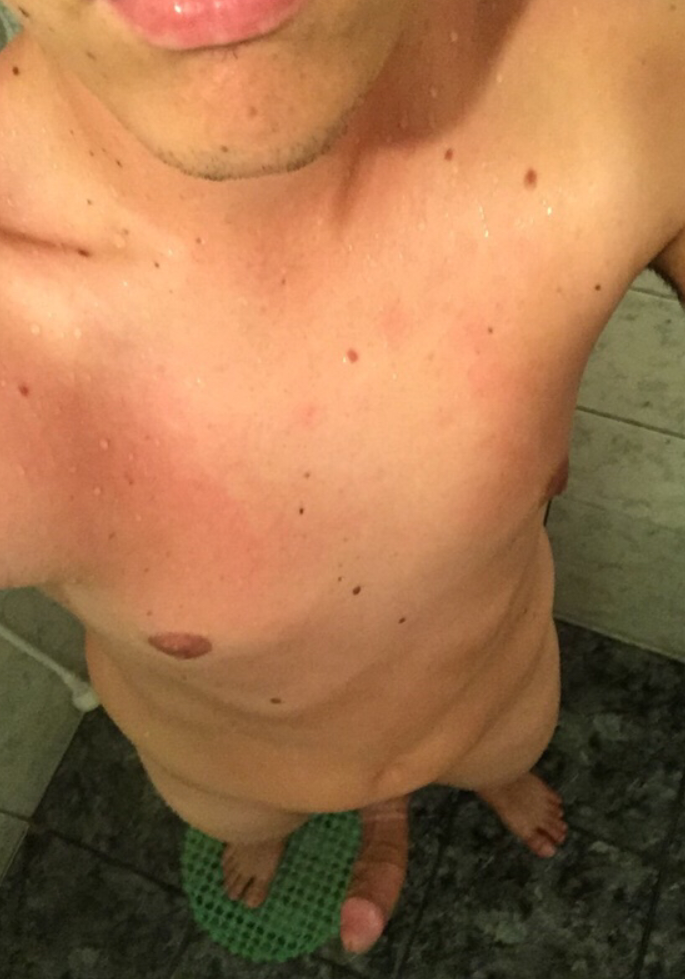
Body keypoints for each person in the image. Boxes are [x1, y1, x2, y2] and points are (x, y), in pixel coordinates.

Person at [1, 0, 683, 958]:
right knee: (247, 822)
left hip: (494, 705)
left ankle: (476, 780)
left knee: (504, 754)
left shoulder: (619, 62)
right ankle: (291, 826)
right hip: (236, 777)